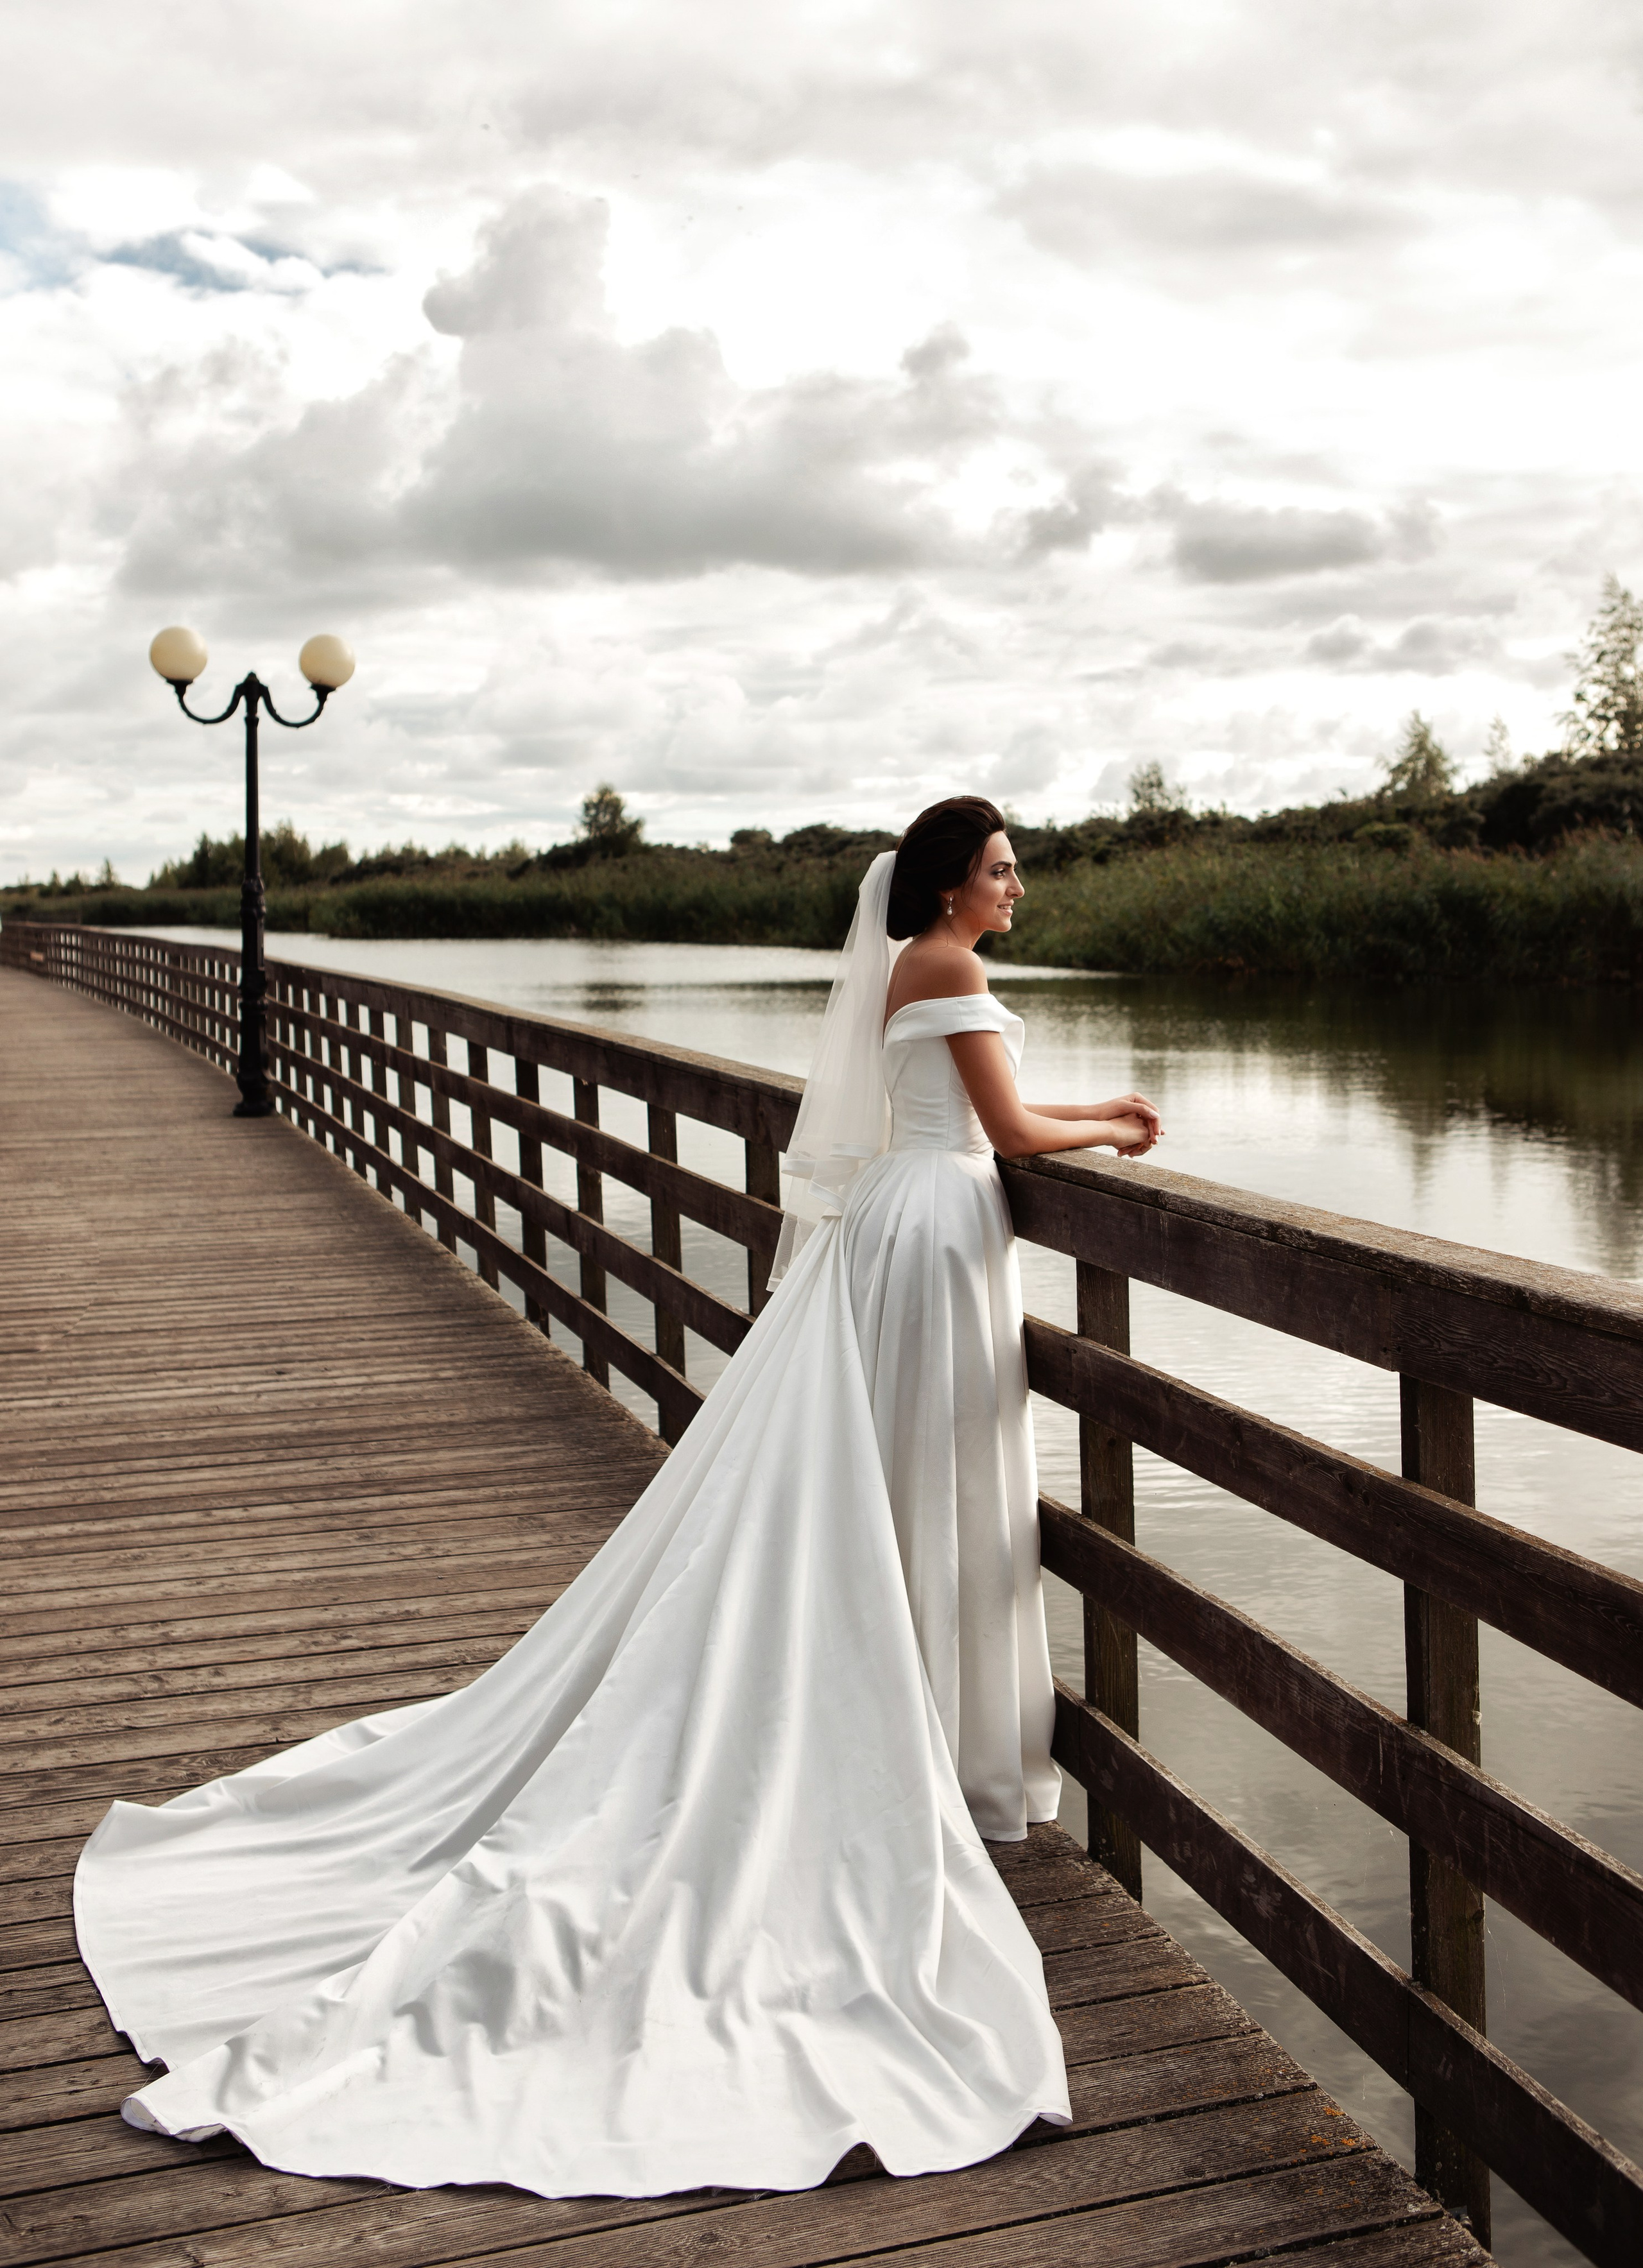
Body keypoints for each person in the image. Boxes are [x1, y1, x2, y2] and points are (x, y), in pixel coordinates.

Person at [74, 795, 1162, 2201]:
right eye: (1003, 869)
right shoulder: (947, 969)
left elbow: (976, 1120)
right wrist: (1108, 1129)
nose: (1019, 889)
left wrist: (1092, 1113)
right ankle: (912, 1725)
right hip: (938, 1227)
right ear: (952, 882)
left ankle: (905, 1705)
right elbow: (1005, 1134)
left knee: (890, 1476)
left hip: (902, 1223)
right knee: (927, 1472)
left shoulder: (907, 969)